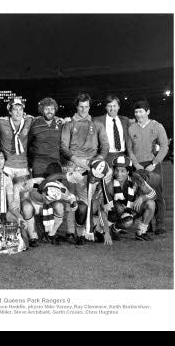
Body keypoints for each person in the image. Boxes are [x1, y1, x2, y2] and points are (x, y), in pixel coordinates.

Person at [60, 93, 109, 244]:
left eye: (86, 106)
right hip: (73, 165)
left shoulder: (97, 124)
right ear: (76, 106)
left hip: (92, 166)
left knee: (94, 199)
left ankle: (91, 231)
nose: (84, 109)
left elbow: (105, 145)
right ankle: (70, 232)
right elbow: (63, 146)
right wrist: (75, 160)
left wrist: (99, 160)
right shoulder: (69, 124)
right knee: (72, 199)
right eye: (81, 106)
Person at [127, 99, 169, 236]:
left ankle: (160, 225)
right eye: (136, 112)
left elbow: (164, 146)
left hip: (152, 165)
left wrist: (155, 163)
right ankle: (148, 224)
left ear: (148, 112)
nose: (138, 114)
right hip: (137, 166)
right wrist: (136, 164)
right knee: (142, 195)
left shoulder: (157, 126)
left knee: (158, 194)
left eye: (141, 111)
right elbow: (130, 149)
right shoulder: (131, 128)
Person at [14, 172, 79, 246]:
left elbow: (71, 197)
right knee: (26, 207)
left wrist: (73, 203)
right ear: (43, 191)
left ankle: (51, 234)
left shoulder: (62, 190)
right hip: (31, 202)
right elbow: (17, 187)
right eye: (47, 198)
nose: (48, 201)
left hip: (48, 208)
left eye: (51, 200)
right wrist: (16, 203)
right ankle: (33, 238)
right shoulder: (34, 183)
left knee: (59, 206)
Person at [105, 156, 157, 241]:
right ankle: (113, 229)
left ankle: (141, 232)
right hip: (115, 213)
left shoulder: (136, 179)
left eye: (122, 171)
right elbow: (103, 206)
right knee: (124, 216)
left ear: (128, 171)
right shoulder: (110, 184)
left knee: (151, 204)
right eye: (117, 170)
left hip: (132, 209)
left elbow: (153, 193)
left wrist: (142, 198)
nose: (119, 173)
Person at [28, 97, 71, 178]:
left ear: (55, 110)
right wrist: (30, 161)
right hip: (39, 164)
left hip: (55, 163)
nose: (49, 111)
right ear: (41, 110)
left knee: (56, 189)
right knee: (40, 188)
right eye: (47, 108)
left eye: (52, 108)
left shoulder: (60, 123)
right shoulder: (34, 123)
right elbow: (27, 143)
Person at [93, 94, 133, 166]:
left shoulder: (125, 120)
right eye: (109, 106)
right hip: (105, 156)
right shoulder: (97, 121)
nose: (112, 109)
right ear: (105, 107)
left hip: (123, 155)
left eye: (114, 106)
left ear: (119, 107)